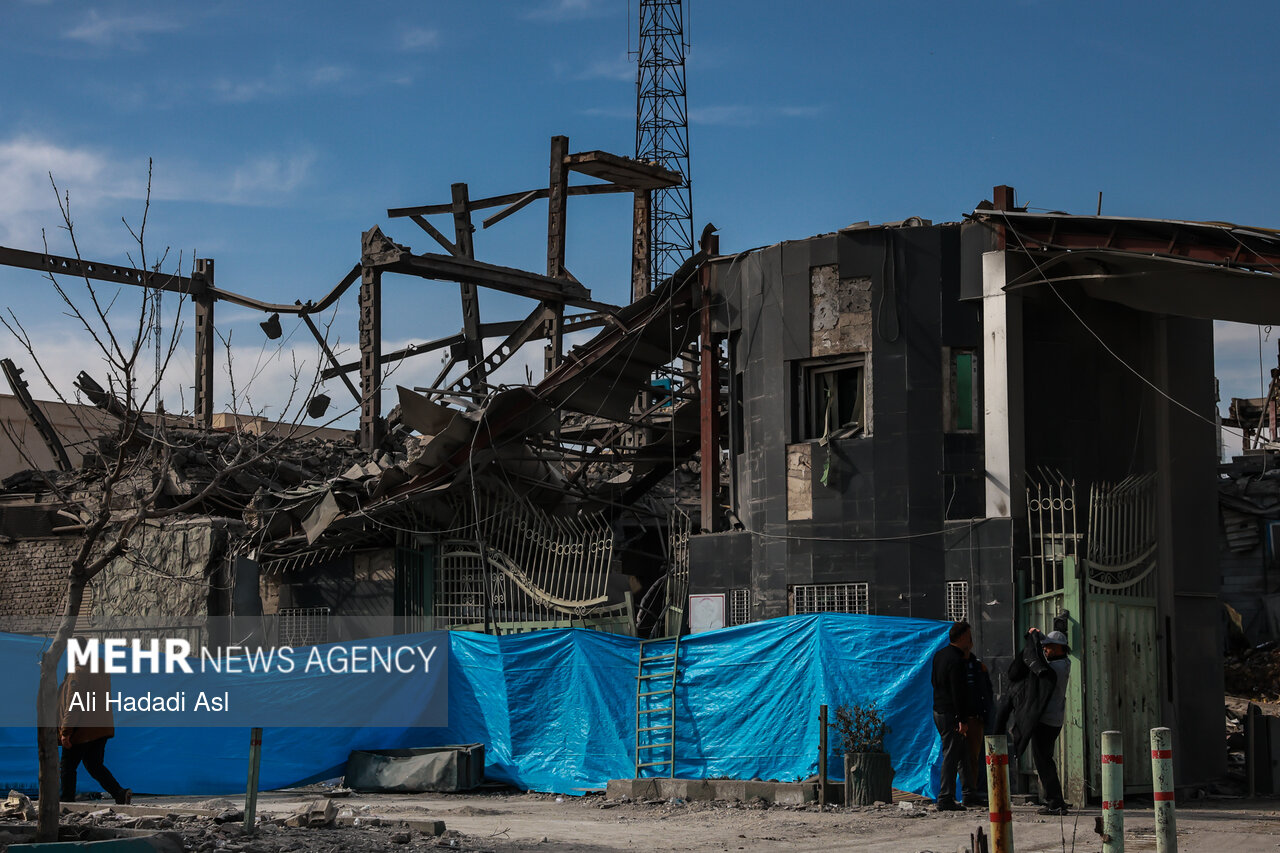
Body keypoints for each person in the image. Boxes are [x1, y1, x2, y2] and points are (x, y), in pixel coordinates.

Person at [59, 657, 130, 804]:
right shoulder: (100, 671)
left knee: (67, 766)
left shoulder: (78, 672)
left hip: (82, 729)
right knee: (94, 765)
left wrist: (66, 731)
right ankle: (119, 793)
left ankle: (66, 802)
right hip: (100, 728)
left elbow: (74, 703)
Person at [931, 621, 975, 811]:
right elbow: (959, 692)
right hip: (950, 713)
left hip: (939, 709)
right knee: (951, 754)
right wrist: (962, 719)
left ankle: (969, 794)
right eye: (969, 636)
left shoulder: (940, 655)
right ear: (963, 636)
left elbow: (934, 682)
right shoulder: (956, 660)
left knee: (962, 752)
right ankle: (945, 797)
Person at [1030, 630, 1071, 815]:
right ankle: (1057, 799)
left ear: (1059, 648)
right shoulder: (1065, 663)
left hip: (1046, 719)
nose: (1045, 649)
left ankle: (1055, 802)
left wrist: (1033, 641)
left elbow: (1037, 663)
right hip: (1054, 719)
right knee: (1046, 759)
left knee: (1043, 761)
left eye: (1048, 646)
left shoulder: (1055, 668)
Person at [962, 647, 995, 807]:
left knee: (974, 757)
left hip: (976, 717)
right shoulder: (970, 666)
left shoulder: (977, 666)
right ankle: (971, 790)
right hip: (971, 716)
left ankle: (974, 790)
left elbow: (986, 692)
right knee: (970, 757)